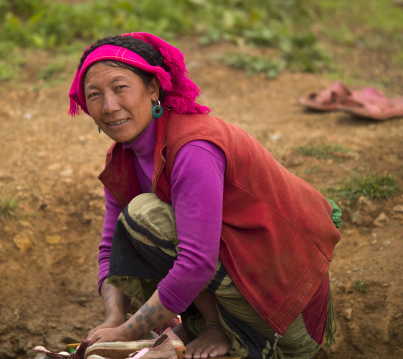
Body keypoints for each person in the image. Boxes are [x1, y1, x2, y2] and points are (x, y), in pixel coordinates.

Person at [68, 32, 342, 359]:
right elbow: (109, 246)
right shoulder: (123, 158)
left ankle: (217, 328)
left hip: (283, 310)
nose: (109, 106)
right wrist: (113, 319)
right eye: (94, 94)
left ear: (153, 88)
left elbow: (197, 263)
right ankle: (202, 325)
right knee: (134, 226)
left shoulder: (193, 148)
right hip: (242, 288)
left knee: (142, 215)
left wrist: (126, 332)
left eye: (120, 87)